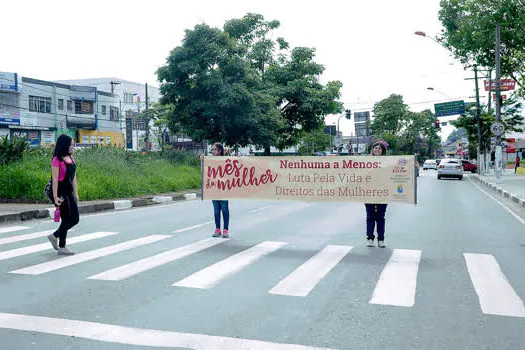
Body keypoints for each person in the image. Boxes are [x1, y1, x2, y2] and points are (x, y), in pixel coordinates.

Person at [47, 134, 79, 255]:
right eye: (71, 144)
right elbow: (54, 180)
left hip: (69, 191)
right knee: (66, 218)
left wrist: (76, 193)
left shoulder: (71, 158)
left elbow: (74, 177)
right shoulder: (57, 159)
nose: (73, 146)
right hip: (60, 192)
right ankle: (62, 246)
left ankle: (54, 236)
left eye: (73, 144)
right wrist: (55, 197)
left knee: (75, 219)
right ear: (64, 145)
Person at [201, 143, 230, 238]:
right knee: (216, 210)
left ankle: (225, 230)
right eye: (212, 149)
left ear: (219, 150)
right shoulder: (210, 161)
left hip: (224, 189)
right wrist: (202, 161)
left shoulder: (226, 161)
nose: (212, 151)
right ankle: (217, 229)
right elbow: (204, 172)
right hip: (214, 189)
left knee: (225, 209)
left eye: (214, 149)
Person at [365, 140, 388, 248]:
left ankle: (381, 239)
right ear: (372, 150)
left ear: (382, 151)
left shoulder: (388, 162)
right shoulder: (366, 162)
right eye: (375, 148)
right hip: (369, 192)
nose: (377, 150)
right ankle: (370, 238)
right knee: (370, 217)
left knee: (380, 217)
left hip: (383, 192)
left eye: (379, 148)